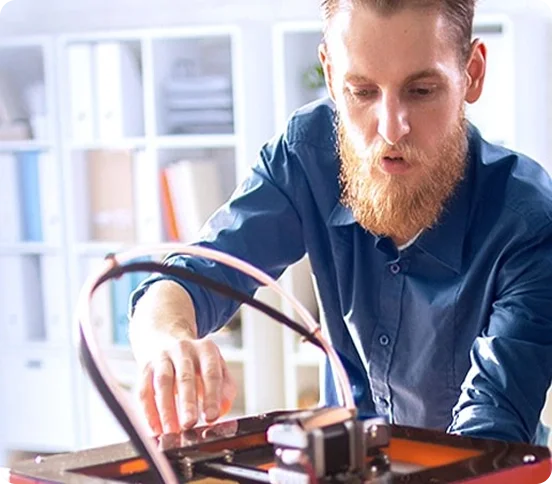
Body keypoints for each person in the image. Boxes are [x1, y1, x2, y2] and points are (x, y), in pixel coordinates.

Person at [129, 0, 552, 445]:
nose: (391, 129)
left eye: (421, 91)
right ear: (330, 75)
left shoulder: (529, 223)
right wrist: (167, 339)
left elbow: (487, 439)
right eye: (362, 92)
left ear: (472, 73)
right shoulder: (306, 155)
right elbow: (191, 276)